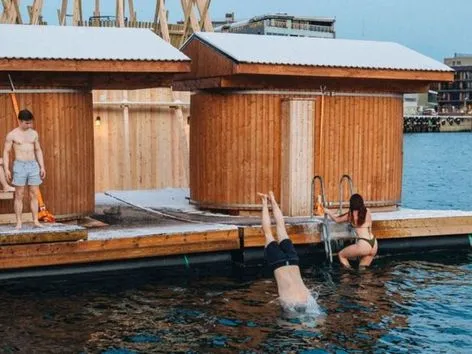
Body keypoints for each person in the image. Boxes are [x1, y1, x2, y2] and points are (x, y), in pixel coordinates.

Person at [259, 191, 319, 316]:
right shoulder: (292, 303)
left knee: (281, 227)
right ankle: (265, 202)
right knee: (268, 233)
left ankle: (272, 199)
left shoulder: (308, 299)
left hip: (293, 260)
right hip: (278, 263)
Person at [3, 109, 46, 229]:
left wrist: (42, 166)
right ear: (20, 121)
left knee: (34, 194)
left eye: (30, 123)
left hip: (33, 165)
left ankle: (35, 221)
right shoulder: (12, 135)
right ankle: (19, 222)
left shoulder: (34, 134)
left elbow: (38, 150)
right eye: (27, 123)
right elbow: (6, 152)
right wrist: (6, 169)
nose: (29, 125)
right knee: (19, 194)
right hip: (19, 166)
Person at [325, 193, 378, 268]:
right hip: (374, 243)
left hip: (364, 244)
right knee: (363, 271)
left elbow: (337, 219)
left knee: (341, 255)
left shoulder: (351, 215)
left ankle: (348, 277)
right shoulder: (367, 211)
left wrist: (327, 211)